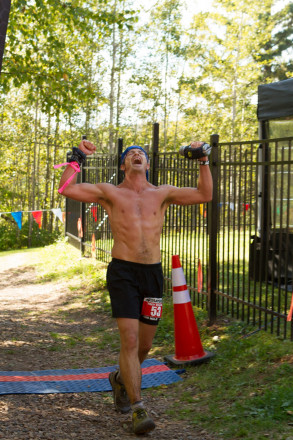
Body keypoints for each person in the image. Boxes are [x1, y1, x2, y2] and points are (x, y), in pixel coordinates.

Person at [57, 139, 213, 435]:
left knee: (144, 346)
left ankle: (119, 379)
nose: (137, 155)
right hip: (123, 274)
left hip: (152, 274)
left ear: (148, 164)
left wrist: (203, 160)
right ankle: (138, 407)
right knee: (129, 342)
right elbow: (66, 189)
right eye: (131, 154)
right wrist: (75, 158)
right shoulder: (110, 192)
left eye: (141, 153)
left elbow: (205, 194)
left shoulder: (163, 193)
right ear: (123, 165)